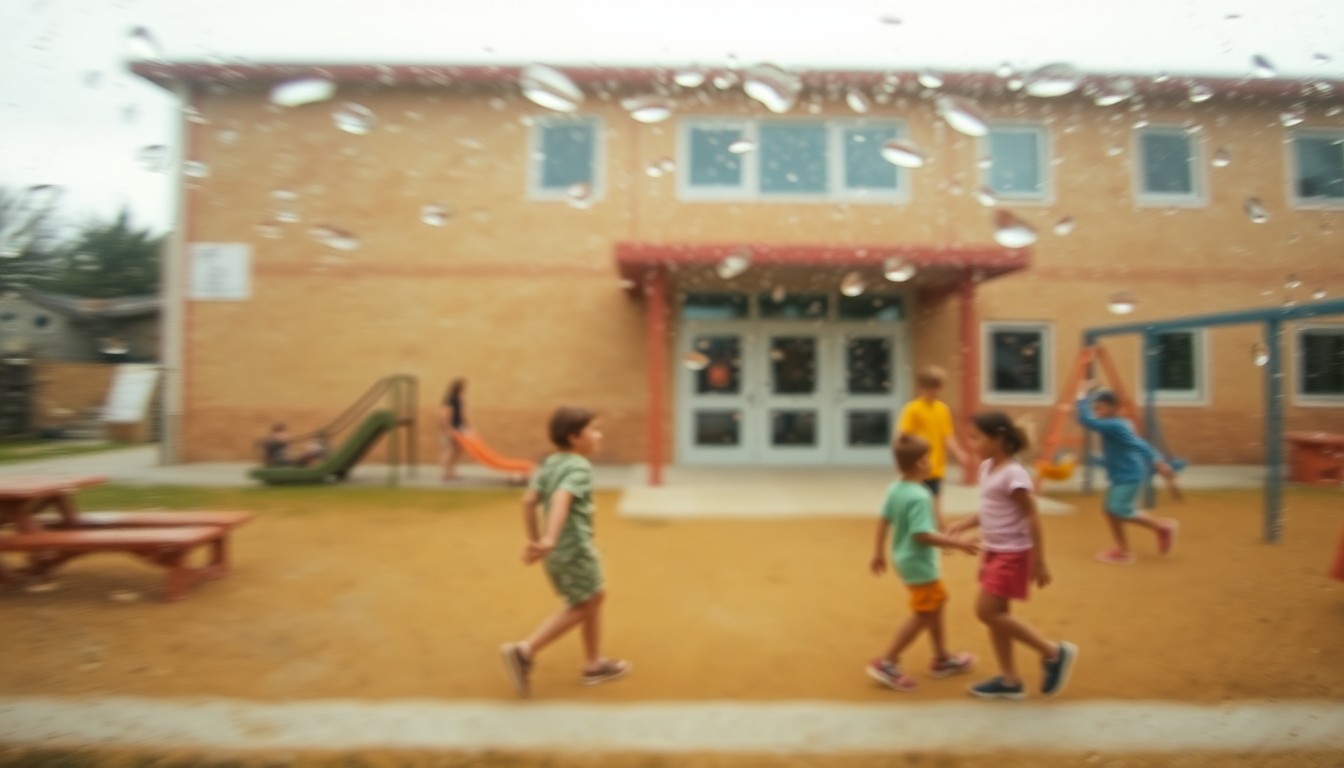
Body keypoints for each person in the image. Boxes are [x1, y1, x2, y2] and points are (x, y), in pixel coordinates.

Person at [500, 406, 629, 697]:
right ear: (574, 438)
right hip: (573, 549)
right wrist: (550, 539)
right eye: (593, 430)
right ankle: (525, 650)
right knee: (583, 604)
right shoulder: (578, 466)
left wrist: (536, 541)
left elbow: (529, 501)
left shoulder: (550, 463)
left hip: (557, 551)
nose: (599, 435)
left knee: (593, 597)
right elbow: (561, 498)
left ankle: (594, 663)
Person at [948, 411, 1077, 700]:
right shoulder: (987, 468)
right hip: (994, 551)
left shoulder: (1014, 474)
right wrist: (964, 524)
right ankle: (1010, 680)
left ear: (999, 439)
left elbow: (1031, 515)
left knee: (986, 611)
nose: (971, 443)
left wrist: (1039, 560)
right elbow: (992, 509)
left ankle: (1053, 652)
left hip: (1013, 553)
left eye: (976, 438)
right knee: (997, 615)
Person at [867, 435, 979, 692]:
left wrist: (878, 553)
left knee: (936, 603)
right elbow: (922, 535)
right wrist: (958, 544)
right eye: (928, 458)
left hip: (904, 558)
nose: (931, 462)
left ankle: (942, 658)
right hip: (919, 562)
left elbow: (884, 520)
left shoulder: (895, 488)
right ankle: (887, 661)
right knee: (924, 613)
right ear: (920, 464)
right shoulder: (920, 496)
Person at [1075, 382, 1181, 565]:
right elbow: (1126, 448)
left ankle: (1162, 528)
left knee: (1118, 510)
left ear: (1113, 408)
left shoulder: (1114, 425)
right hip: (1122, 476)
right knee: (1110, 511)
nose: (1096, 411)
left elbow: (1086, 420)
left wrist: (1081, 395)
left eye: (1100, 408)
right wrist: (1098, 460)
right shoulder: (1115, 425)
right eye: (1095, 408)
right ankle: (1123, 550)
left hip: (1129, 477)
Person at [897, 366, 971, 530]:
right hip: (916, 465)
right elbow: (902, 435)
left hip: (936, 466)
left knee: (936, 500)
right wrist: (900, 461)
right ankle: (912, 529)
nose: (933, 392)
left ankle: (943, 531)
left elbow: (948, 436)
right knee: (914, 500)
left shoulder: (942, 409)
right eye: (929, 388)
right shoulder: (912, 409)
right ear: (921, 387)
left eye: (937, 388)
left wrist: (959, 453)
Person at [440, 378, 468, 481]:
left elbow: (461, 415)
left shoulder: (458, 399)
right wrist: (448, 429)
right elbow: (445, 415)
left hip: (459, 429)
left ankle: (451, 471)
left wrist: (467, 426)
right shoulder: (450, 399)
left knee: (459, 449)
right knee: (449, 450)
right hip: (451, 429)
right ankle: (445, 472)